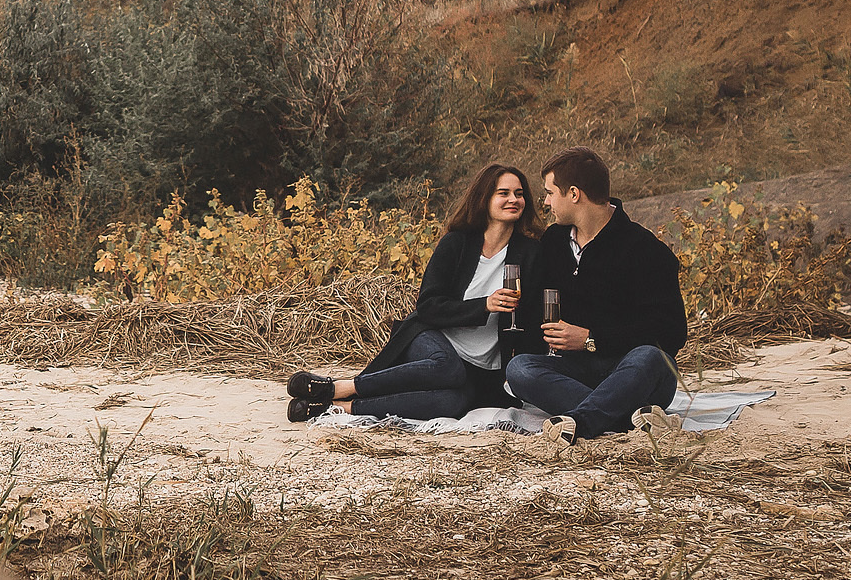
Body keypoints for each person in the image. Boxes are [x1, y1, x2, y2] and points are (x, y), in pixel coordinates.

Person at [287, 163, 541, 422]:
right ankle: (341, 387)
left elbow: (530, 317)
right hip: (431, 338)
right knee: (447, 367)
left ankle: (338, 407)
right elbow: (428, 306)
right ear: (484, 198)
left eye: (519, 194)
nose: (513, 199)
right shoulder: (457, 243)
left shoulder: (530, 253)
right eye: (504, 193)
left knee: (453, 402)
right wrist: (484, 305)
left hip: (482, 366)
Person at [505, 146, 687, 439]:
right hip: (576, 370)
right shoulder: (553, 242)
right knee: (521, 369)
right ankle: (625, 417)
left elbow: (670, 333)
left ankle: (582, 421)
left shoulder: (646, 250)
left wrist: (590, 339)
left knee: (651, 357)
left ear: (574, 194)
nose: (546, 201)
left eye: (551, 193)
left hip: (633, 371)